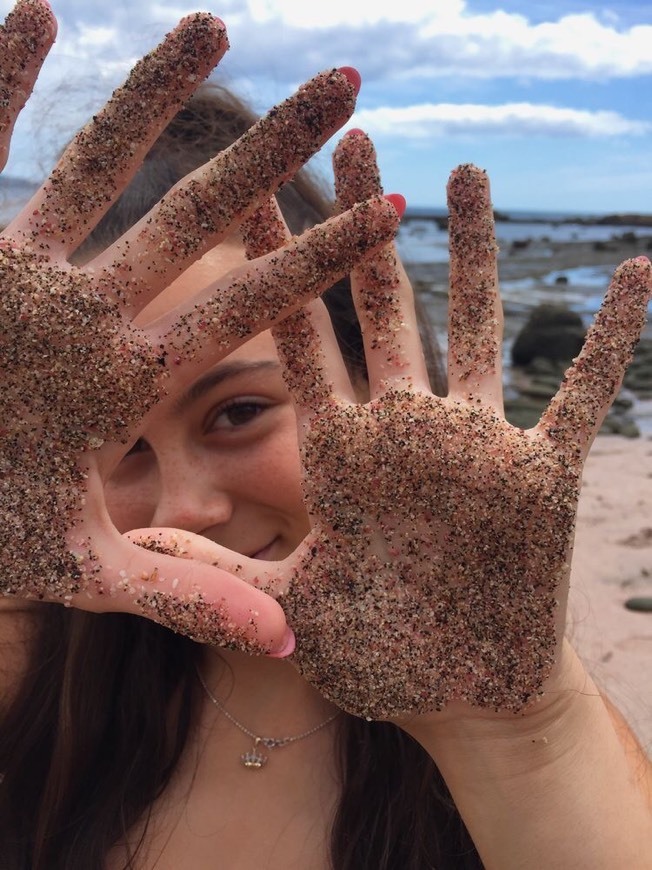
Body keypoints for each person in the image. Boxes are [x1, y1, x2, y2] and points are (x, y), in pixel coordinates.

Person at [1, 2, 650, 869]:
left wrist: (513, 729)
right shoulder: (38, 660)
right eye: (118, 449)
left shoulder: (495, 691)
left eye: (238, 413)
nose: (186, 509)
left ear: (369, 379)